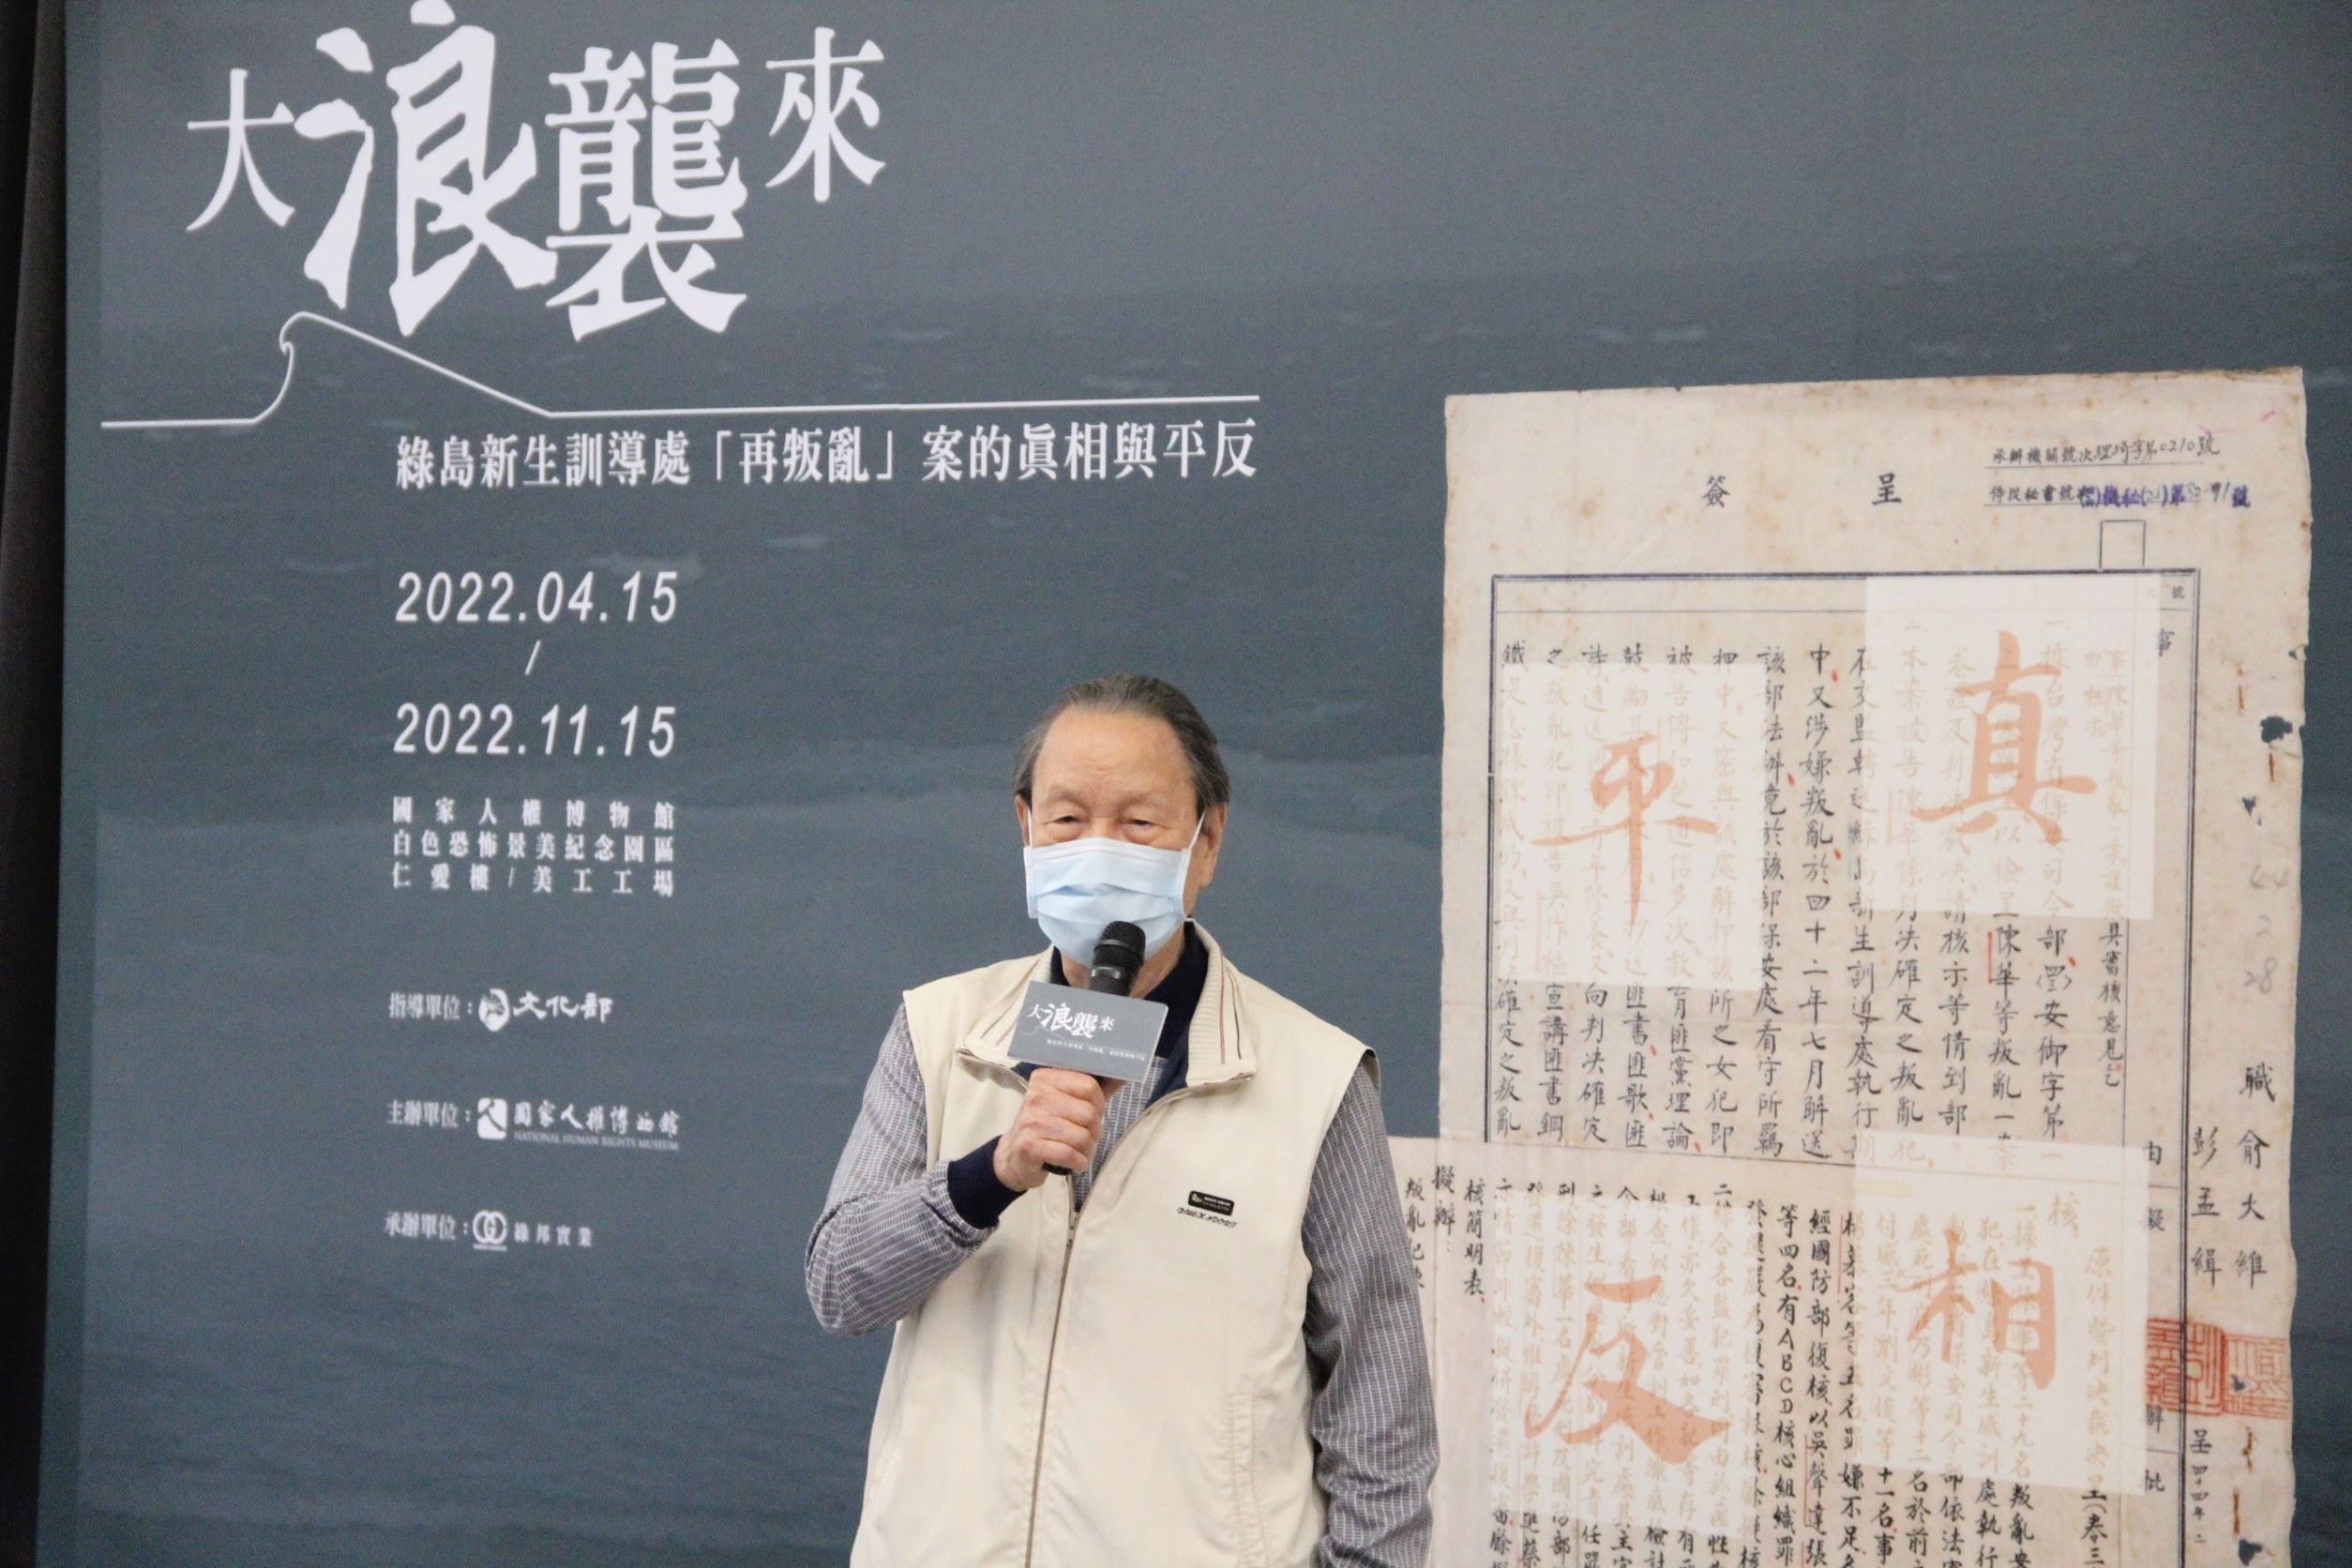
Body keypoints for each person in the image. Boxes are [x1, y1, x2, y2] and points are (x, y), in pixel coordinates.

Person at [806, 672, 1438, 1567]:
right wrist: (991, 1175)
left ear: (1207, 841)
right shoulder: (938, 1030)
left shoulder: (1314, 1077)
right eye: (1067, 819)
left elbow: (1380, 1407)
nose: (1099, 850)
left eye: (1139, 824)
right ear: (1025, 828)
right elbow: (841, 1288)